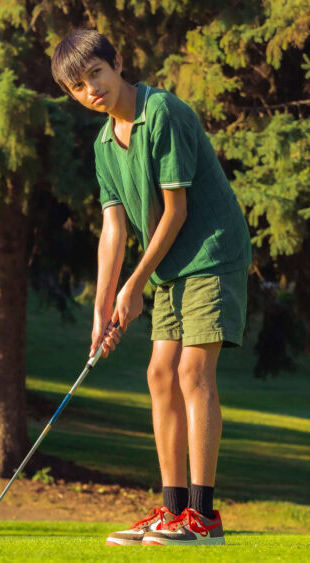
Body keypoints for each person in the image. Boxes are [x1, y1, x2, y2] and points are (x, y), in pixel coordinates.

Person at [51, 29, 251, 546]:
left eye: (96, 73)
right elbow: (114, 229)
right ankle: (172, 509)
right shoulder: (103, 143)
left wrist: (134, 285)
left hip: (212, 251)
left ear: (117, 64)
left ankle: (203, 518)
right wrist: (102, 309)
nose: (91, 89)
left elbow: (177, 210)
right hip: (168, 266)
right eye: (78, 86)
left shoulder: (161, 112)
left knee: (191, 370)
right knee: (159, 372)